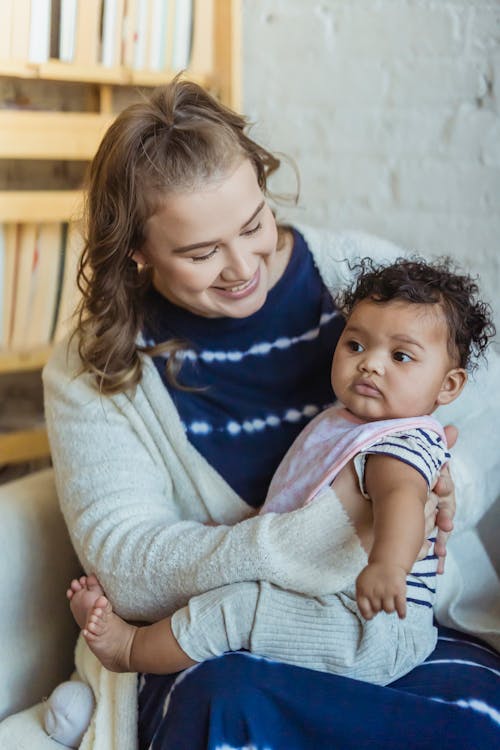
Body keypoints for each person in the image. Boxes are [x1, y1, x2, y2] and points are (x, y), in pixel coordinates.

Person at [42, 77, 500, 750]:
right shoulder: (96, 366)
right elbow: (129, 565)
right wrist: (308, 535)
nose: (241, 267)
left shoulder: (365, 273)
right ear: (136, 251)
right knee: (228, 707)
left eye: (254, 223)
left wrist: (439, 481)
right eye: (201, 253)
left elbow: (482, 415)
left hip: (391, 615)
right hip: (227, 644)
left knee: (473, 724)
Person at [65, 256, 494, 686]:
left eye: (401, 356)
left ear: (448, 385)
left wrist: (388, 566)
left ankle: (129, 650)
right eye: (356, 346)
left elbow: (401, 499)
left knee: (237, 609)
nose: (371, 364)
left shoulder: (396, 442)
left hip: (370, 629)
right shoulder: (345, 424)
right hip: (333, 604)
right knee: (231, 594)